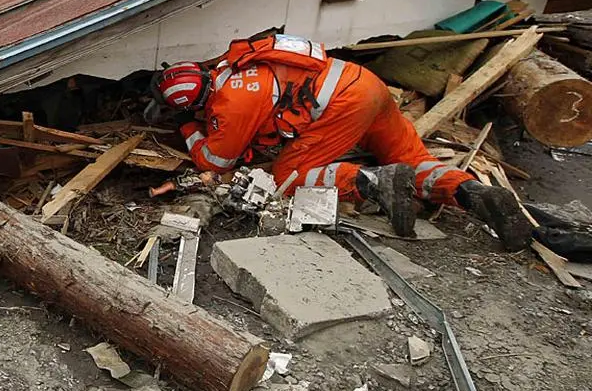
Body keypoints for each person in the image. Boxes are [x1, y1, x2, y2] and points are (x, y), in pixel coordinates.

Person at [153, 34, 531, 250]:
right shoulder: (234, 66)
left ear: (193, 104)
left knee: (288, 175)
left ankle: (373, 183)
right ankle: (471, 193)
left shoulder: (231, 103)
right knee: (411, 157)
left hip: (341, 106)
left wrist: (189, 128)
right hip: (363, 84)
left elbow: (214, 163)